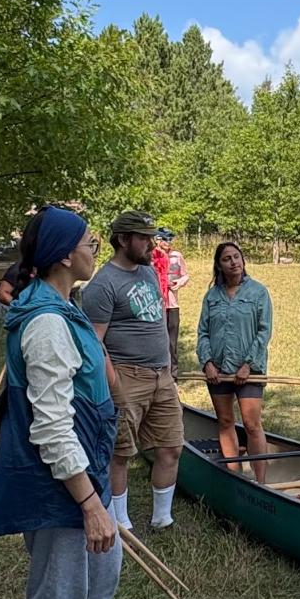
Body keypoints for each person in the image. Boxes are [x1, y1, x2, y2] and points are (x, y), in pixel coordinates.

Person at [0, 205, 146, 599]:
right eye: (88, 240)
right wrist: (90, 502)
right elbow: (51, 427)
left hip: (83, 467)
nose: (95, 246)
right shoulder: (48, 322)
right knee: (56, 596)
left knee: (104, 567)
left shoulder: (63, 305)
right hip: (57, 478)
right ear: (61, 255)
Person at [80, 210, 183, 532]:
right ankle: (120, 522)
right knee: (119, 452)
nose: (152, 244)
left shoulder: (149, 272)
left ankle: (161, 518)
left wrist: (169, 360)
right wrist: (113, 383)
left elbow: (158, 320)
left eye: (152, 237)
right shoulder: (103, 285)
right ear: (123, 240)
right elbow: (94, 343)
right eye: (144, 238)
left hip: (161, 375)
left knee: (171, 446)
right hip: (125, 376)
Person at [196, 241, 273, 464]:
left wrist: (248, 364)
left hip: (250, 371)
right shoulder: (212, 296)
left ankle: (261, 483)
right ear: (219, 266)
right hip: (218, 372)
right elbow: (202, 332)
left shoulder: (258, 292)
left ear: (243, 260)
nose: (233, 262)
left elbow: (264, 331)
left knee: (252, 424)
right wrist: (208, 362)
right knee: (225, 421)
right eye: (227, 259)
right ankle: (233, 473)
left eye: (236, 257)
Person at [155, 227, 190, 366]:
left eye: (170, 239)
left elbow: (185, 274)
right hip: (157, 304)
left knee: (172, 341)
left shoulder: (177, 256)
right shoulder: (151, 256)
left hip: (173, 303)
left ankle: (173, 374)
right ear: (158, 239)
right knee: (158, 339)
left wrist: (179, 282)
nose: (169, 242)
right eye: (165, 239)